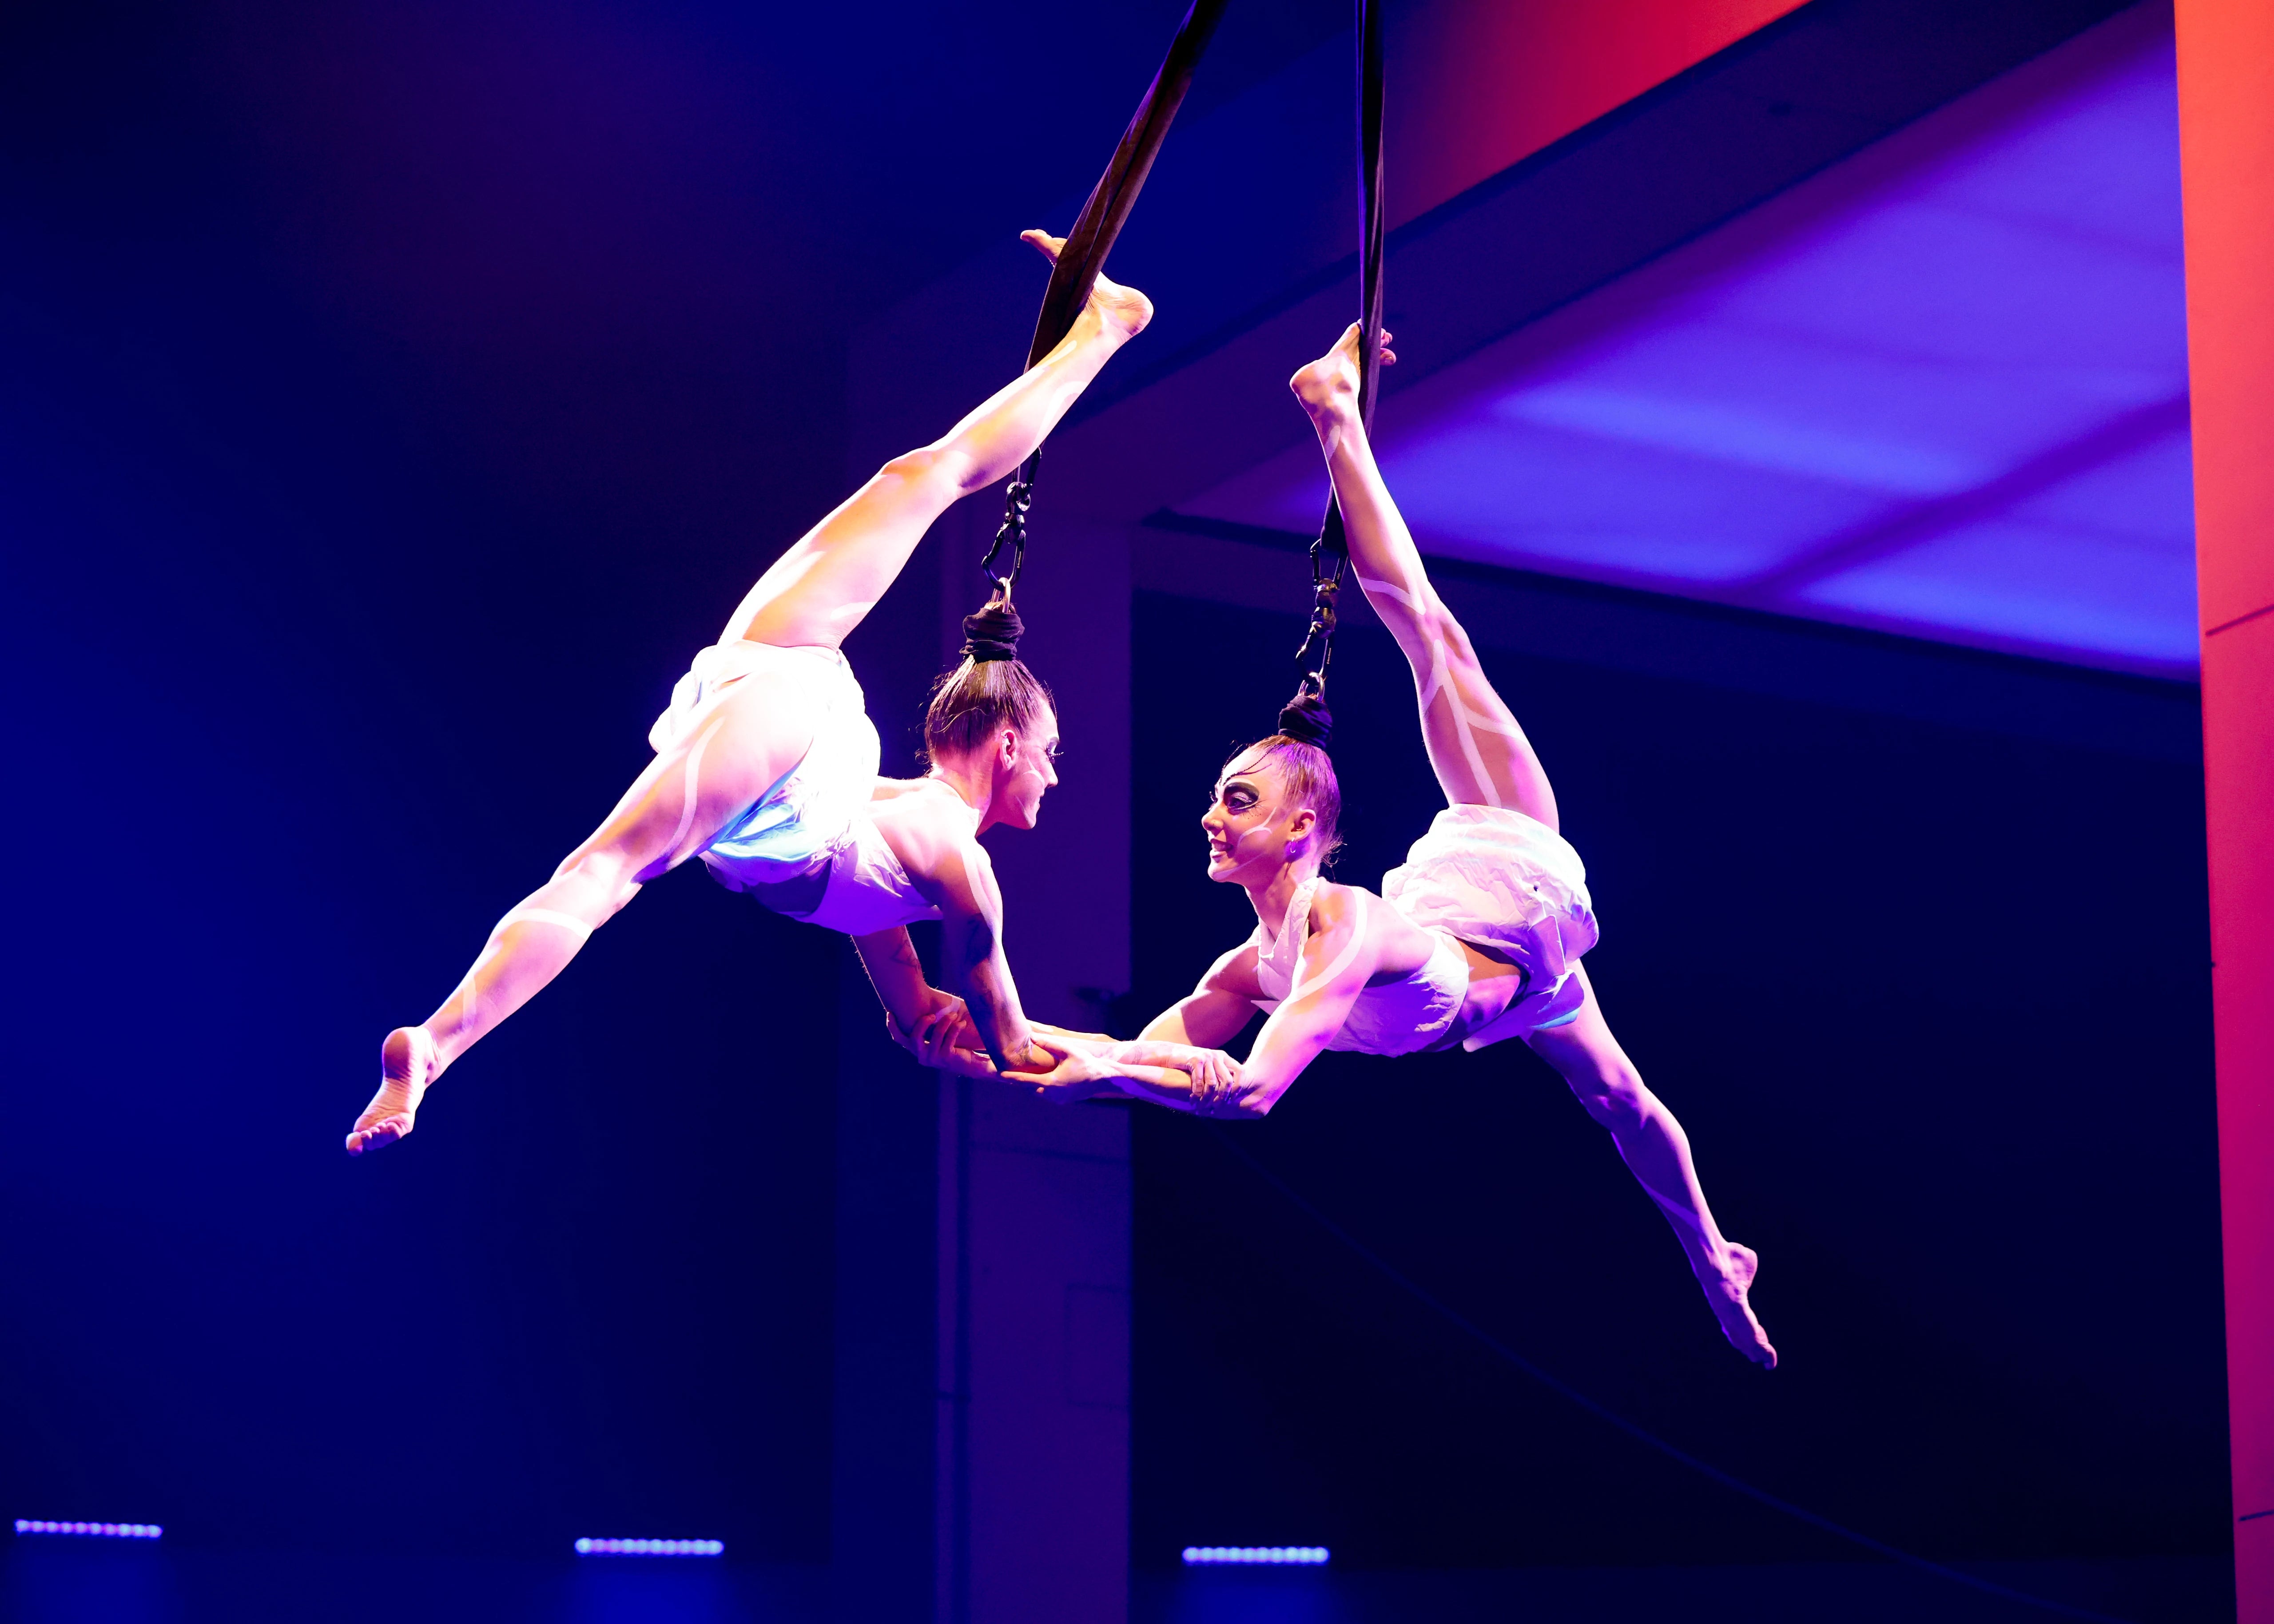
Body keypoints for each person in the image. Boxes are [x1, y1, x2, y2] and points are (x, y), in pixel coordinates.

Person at [909, 322, 1775, 1367]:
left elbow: (1252, 1087)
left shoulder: (1348, 928)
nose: (1210, 817)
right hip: (1495, 965)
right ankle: (1717, 1255)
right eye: (1217, 800)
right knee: (1623, 1100)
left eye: (1235, 800)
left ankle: (1333, 411)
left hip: (1511, 878)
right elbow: (1151, 1052)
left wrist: (1073, 1067)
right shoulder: (1249, 964)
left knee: (1429, 632)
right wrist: (1010, 1049)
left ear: (1300, 828)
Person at [346, 233, 1234, 1158]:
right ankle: (1103, 331)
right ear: (1007, 742)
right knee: (603, 872)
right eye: (1051, 755)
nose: (1053, 778)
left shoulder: (904, 859)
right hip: (790, 755)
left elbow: (925, 1017)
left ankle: (441, 1042)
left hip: (773, 707)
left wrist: (1111, 1057)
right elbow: (1008, 1043)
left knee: (921, 478)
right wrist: (1146, 1068)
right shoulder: (955, 869)